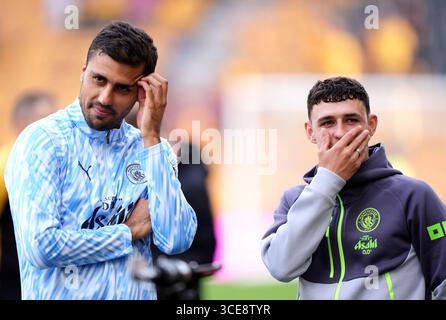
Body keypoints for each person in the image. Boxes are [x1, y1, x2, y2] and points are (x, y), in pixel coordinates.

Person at [4, 21, 197, 300]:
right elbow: (42, 246)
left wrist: (152, 137)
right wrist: (126, 233)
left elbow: (176, 239)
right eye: (99, 80)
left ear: (141, 92)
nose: (105, 98)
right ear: (84, 70)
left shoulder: (153, 150)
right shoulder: (43, 142)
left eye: (122, 88)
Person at [261, 76, 446, 300]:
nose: (340, 133)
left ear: (371, 125)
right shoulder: (294, 200)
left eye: (351, 120)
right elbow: (281, 267)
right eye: (327, 122)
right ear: (310, 132)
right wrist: (329, 180)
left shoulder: (413, 196)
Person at [0, 91, 56, 300]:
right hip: (11, 286)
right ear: (24, 125)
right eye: (47, 121)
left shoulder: (52, 169)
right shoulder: (5, 166)